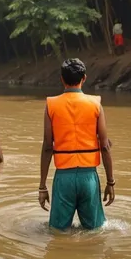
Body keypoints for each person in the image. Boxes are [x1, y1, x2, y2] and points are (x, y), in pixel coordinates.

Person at [38, 58, 115, 231]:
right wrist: (110, 182)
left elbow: (47, 147)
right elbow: (104, 146)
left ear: (62, 79)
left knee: (57, 232)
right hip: (89, 178)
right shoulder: (95, 104)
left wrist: (42, 186)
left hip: (64, 177)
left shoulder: (51, 105)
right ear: (84, 78)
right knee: (95, 231)